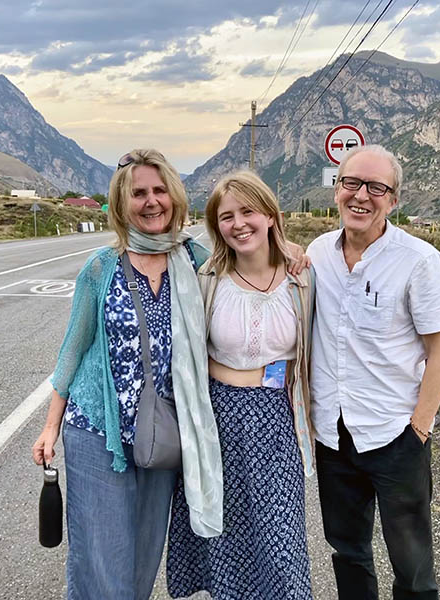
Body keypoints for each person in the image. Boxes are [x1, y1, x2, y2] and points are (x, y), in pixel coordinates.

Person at [31, 148, 224, 600]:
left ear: (175, 198)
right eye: (139, 193)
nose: (151, 201)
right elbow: (72, 351)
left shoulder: (197, 261)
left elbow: (255, 261)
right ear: (122, 204)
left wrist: (292, 251)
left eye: (160, 190)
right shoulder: (101, 268)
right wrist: (49, 427)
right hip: (98, 430)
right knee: (101, 554)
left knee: (142, 554)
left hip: (165, 431)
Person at [306, 144, 440, 600]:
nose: (361, 196)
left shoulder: (419, 260)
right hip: (333, 435)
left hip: (396, 436)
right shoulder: (317, 254)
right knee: (348, 553)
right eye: (351, 183)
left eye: (377, 187)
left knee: (412, 568)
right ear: (336, 189)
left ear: (393, 200)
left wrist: (420, 429)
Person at [166, 170, 315, 600]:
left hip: (279, 422)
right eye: (226, 216)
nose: (239, 224)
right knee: (225, 535)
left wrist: (292, 249)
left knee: (280, 538)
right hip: (217, 419)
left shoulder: (303, 280)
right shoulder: (207, 279)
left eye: (248, 211)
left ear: (271, 215)